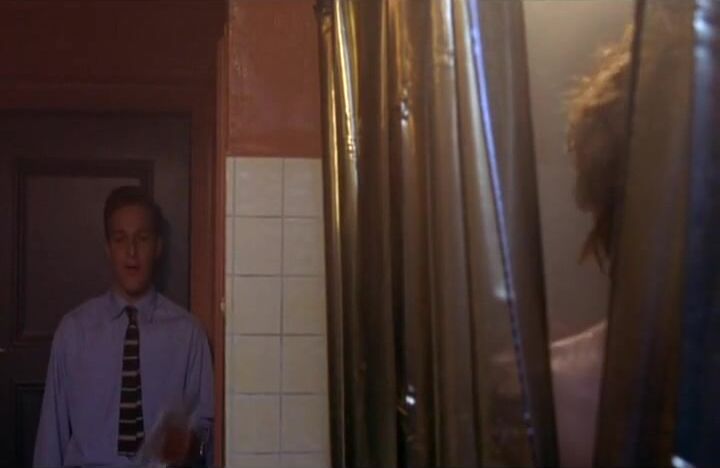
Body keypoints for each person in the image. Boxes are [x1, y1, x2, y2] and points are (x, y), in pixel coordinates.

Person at [33, 186, 214, 467]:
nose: (132, 252)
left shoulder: (188, 335)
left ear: (158, 247)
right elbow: (51, 436)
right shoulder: (74, 332)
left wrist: (191, 443)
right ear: (108, 248)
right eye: (120, 239)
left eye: (142, 238)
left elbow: (208, 434)